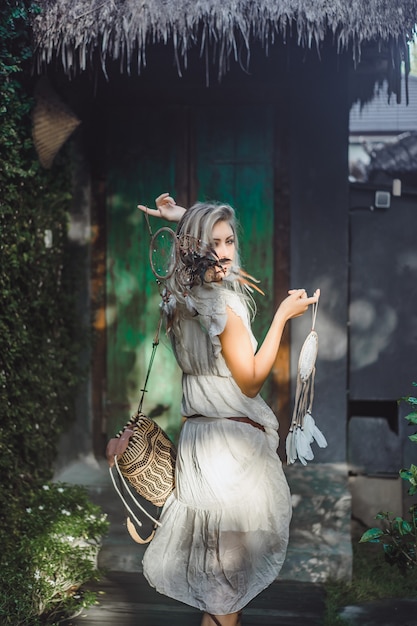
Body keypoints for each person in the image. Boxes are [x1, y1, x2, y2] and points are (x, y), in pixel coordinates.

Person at [136, 193, 320, 626]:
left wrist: (186, 220)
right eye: (213, 243)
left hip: (199, 443)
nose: (223, 254)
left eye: (230, 241)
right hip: (231, 450)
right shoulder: (226, 306)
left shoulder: (180, 295)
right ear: (195, 247)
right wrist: (281, 317)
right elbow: (252, 379)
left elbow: (206, 259)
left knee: (215, 577)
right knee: (227, 581)